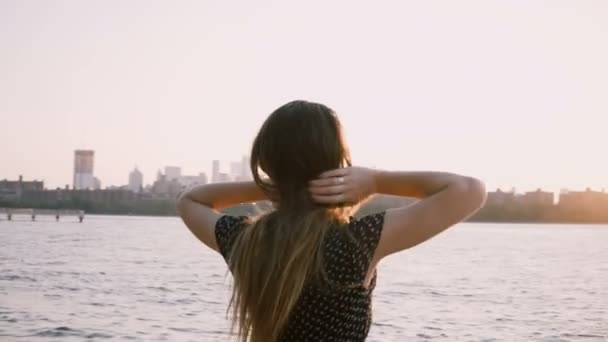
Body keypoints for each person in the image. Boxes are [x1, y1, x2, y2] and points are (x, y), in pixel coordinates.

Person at [177, 100, 487, 342]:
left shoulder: (244, 240)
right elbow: (469, 191)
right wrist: (376, 181)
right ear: (337, 162)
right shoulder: (357, 242)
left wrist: (279, 184)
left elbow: (190, 200)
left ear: (265, 162)